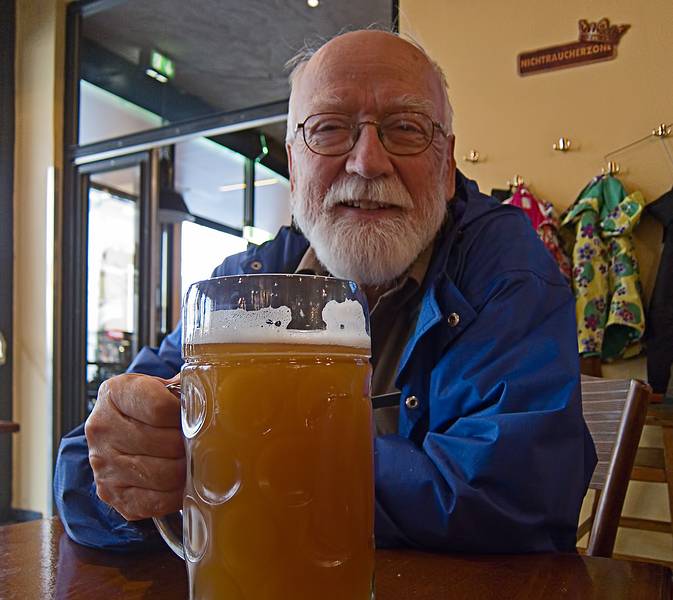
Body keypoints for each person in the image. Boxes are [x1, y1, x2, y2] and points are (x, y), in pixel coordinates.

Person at [54, 29, 596, 553]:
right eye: (330, 129)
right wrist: (132, 464)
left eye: (405, 128)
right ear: (293, 163)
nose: (367, 162)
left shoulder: (501, 266)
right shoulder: (248, 281)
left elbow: (511, 492)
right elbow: (84, 469)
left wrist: (244, 461)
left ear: (447, 166)